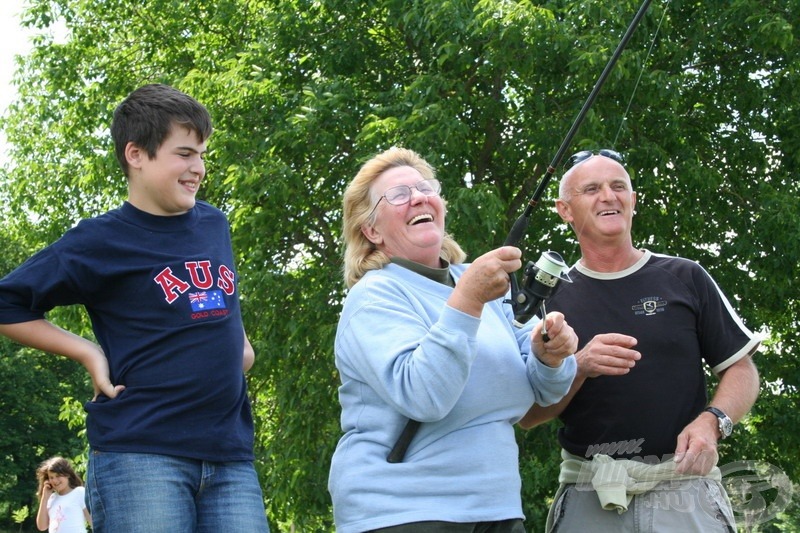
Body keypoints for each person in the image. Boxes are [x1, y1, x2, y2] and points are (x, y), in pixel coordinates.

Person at [0, 84, 269, 533]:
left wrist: (236, 345)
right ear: (136, 154)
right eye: (184, 153)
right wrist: (89, 353)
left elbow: (217, 297)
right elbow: (7, 302)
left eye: (202, 154)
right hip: (140, 455)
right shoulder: (99, 240)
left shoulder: (214, 223)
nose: (198, 168)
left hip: (230, 455)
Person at [328, 146, 579, 533]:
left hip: (497, 508)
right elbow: (424, 396)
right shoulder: (374, 295)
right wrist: (468, 300)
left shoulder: (473, 282)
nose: (418, 197)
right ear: (371, 231)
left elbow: (542, 391)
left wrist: (550, 355)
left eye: (425, 187)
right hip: (404, 513)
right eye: (398, 194)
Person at [519, 149, 762, 532]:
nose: (609, 196)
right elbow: (529, 416)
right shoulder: (547, 302)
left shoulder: (686, 276)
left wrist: (713, 422)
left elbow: (741, 367)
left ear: (633, 200)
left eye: (619, 186)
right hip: (590, 493)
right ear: (564, 209)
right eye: (592, 189)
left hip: (684, 488)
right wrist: (578, 367)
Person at [35, 456, 92, 533]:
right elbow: (42, 527)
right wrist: (45, 498)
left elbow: (93, 522)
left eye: (58, 476)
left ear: (67, 474)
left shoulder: (79, 492)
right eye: (51, 477)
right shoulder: (51, 498)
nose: (54, 480)